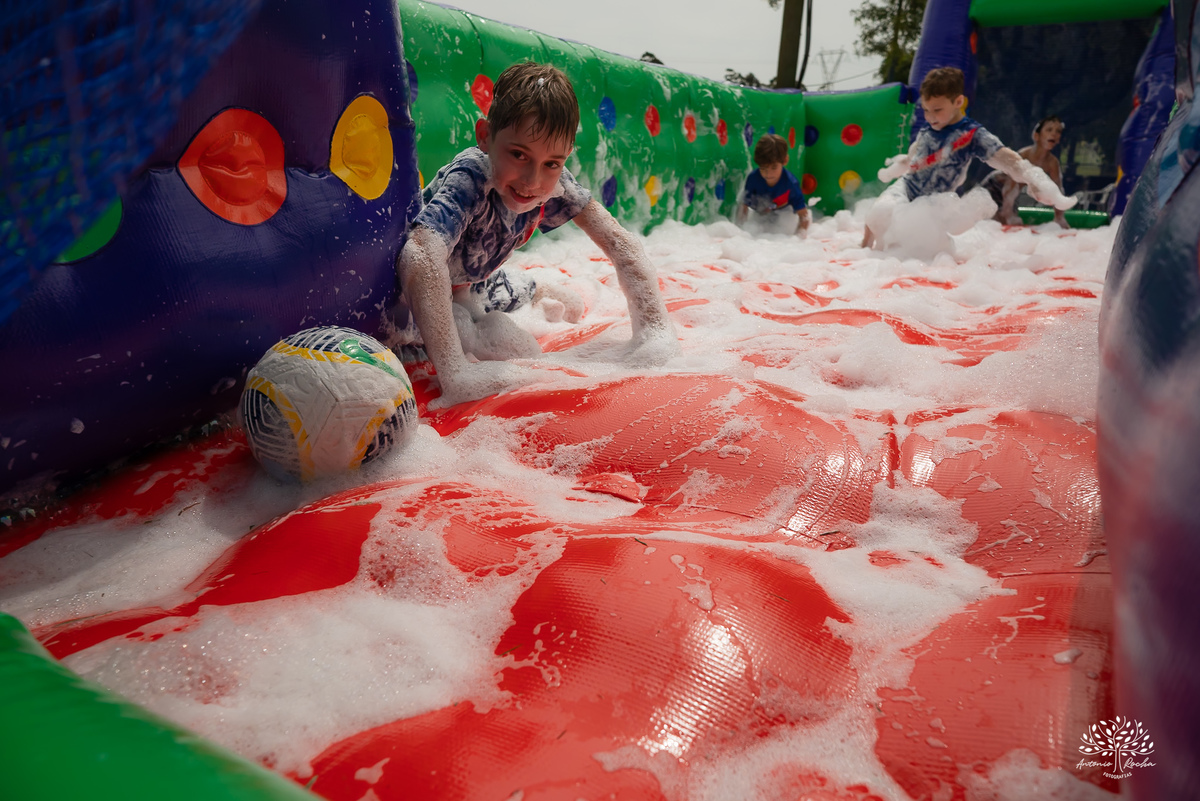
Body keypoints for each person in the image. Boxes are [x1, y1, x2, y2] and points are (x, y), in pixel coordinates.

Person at [395, 62, 680, 406]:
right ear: (485, 136)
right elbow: (421, 256)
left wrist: (654, 333)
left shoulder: (553, 183)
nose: (532, 181)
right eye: (518, 154)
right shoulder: (470, 177)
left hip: (475, 283)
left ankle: (537, 287)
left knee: (503, 303)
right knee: (438, 332)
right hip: (413, 293)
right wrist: (457, 374)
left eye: (552, 163)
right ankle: (515, 295)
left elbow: (621, 243)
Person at [863, 67, 1075, 249]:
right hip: (907, 187)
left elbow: (1009, 159)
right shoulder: (928, 130)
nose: (929, 117)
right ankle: (864, 250)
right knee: (877, 214)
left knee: (912, 243)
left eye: (937, 110)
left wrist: (1034, 179)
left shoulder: (973, 135)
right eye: (926, 110)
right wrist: (890, 172)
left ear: (958, 101)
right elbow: (911, 159)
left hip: (934, 203)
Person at [979, 115, 1069, 228]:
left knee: (1007, 224)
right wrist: (1008, 214)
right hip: (994, 186)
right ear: (1036, 135)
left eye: (1058, 131)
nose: (1054, 134)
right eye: (1049, 130)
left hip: (1011, 194)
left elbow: (1058, 192)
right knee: (989, 222)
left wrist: (1059, 217)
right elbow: (1010, 187)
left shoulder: (1052, 163)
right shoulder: (1025, 155)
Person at [737, 133, 811, 236]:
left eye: (774, 167)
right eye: (763, 168)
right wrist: (740, 232)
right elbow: (743, 207)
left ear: (785, 160)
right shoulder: (753, 179)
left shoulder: (791, 184)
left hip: (783, 216)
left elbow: (804, 217)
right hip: (760, 217)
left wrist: (796, 241)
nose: (768, 174)